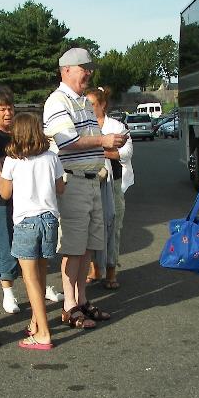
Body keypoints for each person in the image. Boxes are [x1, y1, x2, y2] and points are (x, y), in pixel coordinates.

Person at [43, 48, 126, 329]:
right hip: (74, 181)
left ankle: (81, 300)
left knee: (88, 246)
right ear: (65, 70)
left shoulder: (83, 102)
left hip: (92, 181)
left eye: (90, 68)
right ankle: (69, 306)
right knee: (74, 248)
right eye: (83, 67)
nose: (88, 73)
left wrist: (108, 142)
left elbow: (87, 140)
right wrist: (104, 141)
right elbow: (66, 142)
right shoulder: (57, 101)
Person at [0, 86, 65, 314]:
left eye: (10, 108)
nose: (8, 113)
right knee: (5, 246)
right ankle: (8, 293)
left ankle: (44, 285)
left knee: (40, 250)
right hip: (2, 201)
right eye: (2, 109)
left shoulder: (19, 133)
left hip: (30, 203)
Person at [0, 113, 65, 350]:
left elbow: (5, 193)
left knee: (29, 279)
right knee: (42, 272)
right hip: (49, 220)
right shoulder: (51, 157)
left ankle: (43, 333)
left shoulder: (12, 160)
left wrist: (0, 175)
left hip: (26, 222)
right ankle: (36, 321)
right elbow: (60, 189)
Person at [84, 87, 134, 290]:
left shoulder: (117, 126)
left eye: (92, 104)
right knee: (90, 227)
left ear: (103, 105)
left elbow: (126, 153)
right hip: (88, 182)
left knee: (113, 228)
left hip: (113, 184)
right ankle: (95, 268)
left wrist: (97, 149)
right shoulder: (82, 126)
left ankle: (111, 271)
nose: (88, 108)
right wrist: (107, 148)